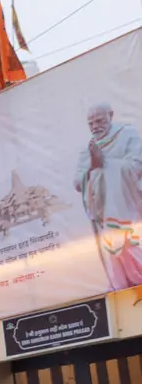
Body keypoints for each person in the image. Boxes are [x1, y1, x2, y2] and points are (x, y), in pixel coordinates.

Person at [75, 103, 142, 291]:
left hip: (131, 208)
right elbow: (78, 183)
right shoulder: (88, 148)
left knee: (130, 245)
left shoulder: (127, 134)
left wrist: (106, 164)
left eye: (99, 121)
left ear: (110, 116)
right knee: (114, 250)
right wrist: (93, 167)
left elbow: (138, 166)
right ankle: (122, 288)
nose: (95, 126)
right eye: (91, 123)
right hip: (105, 212)